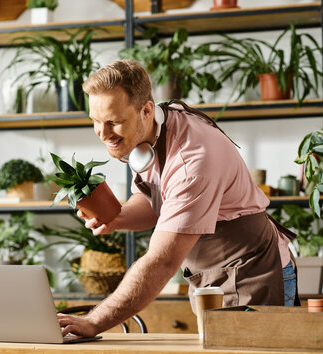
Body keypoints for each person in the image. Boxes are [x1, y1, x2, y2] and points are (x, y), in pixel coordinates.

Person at [57, 60, 298, 338]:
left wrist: (95, 321)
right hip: (212, 279)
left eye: (114, 121)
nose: (103, 133)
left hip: (251, 276)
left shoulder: (191, 160)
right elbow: (153, 202)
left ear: (147, 110)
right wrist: (117, 218)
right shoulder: (154, 130)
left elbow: (162, 261)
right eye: (95, 121)